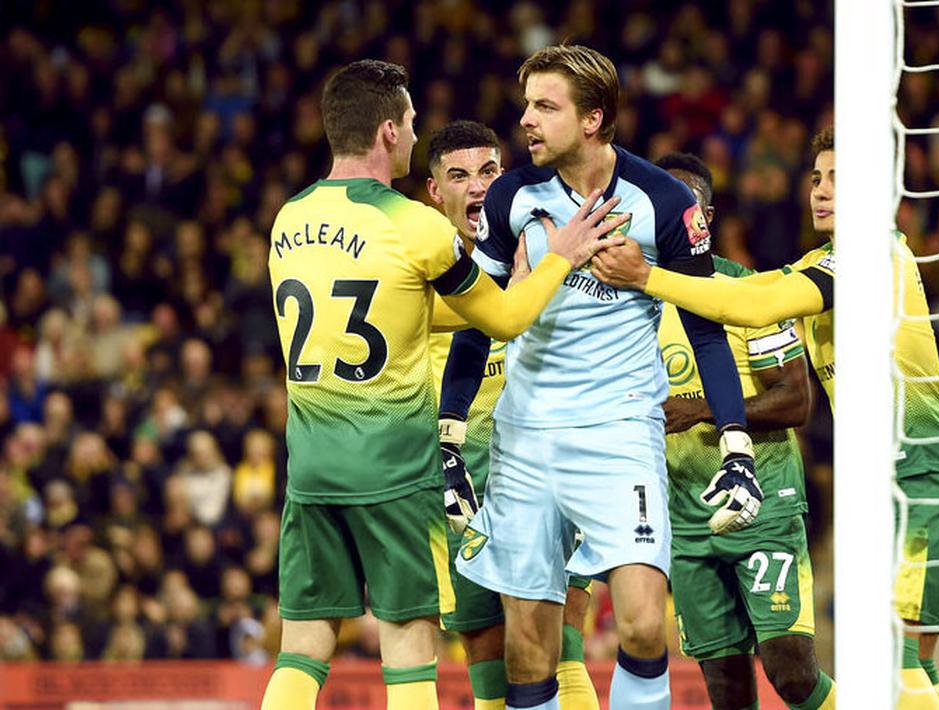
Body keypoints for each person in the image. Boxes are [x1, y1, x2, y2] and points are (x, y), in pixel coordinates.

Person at [260, 59, 627, 710]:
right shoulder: (415, 226)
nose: (411, 130)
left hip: (312, 469)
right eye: (408, 121)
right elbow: (502, 318)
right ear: (388, 132)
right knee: (410, 655)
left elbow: (407, 308)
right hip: (399, 472)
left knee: (302, 649)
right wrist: (561, 259)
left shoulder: (289, 219)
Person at [591, 128, 939, 710]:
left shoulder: (876, 255)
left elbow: (755, 305)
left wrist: (646, 276)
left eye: (839, 179)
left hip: (920, 470)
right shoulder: (817, 264)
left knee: (892, 655)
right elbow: (747, 289)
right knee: (910, 658)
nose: (821, 190)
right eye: (817, 178)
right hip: (877, 481)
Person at [441, 45, 760, 710]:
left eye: (544, 106)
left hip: (619, 430)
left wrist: (736, 440)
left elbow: (705, 327)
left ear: (591, 119)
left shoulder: (662, 200)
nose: (525, 120)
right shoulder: (511, 196)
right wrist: (450, 433)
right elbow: (477, 322)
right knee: (529, 644)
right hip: (526, 436)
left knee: (642, 622)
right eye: (527, 104)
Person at [425, 120, 599, 710]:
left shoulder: (551, 245)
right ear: (435, 192)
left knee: (560, 636)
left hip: (546, 462)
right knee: (485, 649)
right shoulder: (418, 268)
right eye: (459, 176)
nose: (477, 187)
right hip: (460, 479)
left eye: (488, 171)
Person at [653, 152, 836, 710]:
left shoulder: (747, 292)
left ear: (705, 217)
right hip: (684, 519)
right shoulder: (632, 303)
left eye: (683, 204)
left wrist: (700, 410)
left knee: (792, 674)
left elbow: (796, 399)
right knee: (726, 690)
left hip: (762, 506)